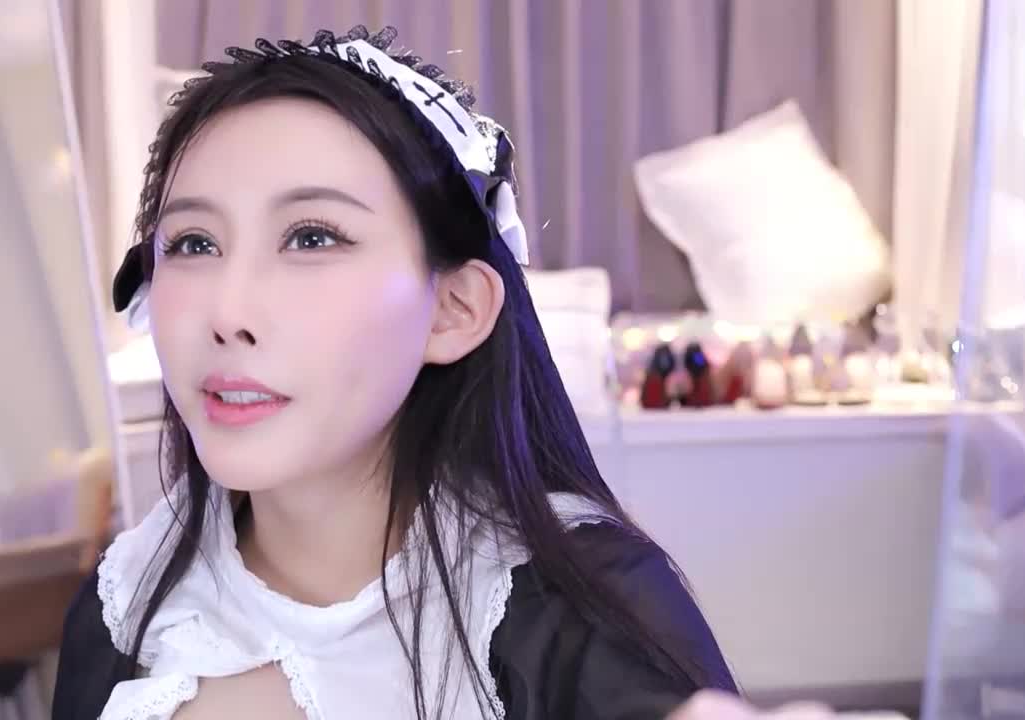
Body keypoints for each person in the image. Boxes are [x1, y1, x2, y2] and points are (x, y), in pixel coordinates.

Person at [51, 25, 740, 719]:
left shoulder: (579, 618)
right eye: (194, 243)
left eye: (312, 237)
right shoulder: (125, 606)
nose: (228, 314)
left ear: (453, 309)